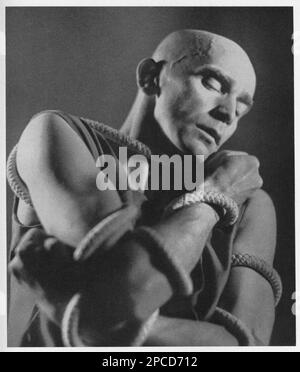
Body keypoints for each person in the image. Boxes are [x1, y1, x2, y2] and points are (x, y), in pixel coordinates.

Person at [7, 29, 281, 347]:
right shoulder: (58, 135)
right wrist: (214, 197)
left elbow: (251, 347)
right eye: (213, 84)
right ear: (151, 77)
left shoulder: (251, 204)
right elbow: (122, 297)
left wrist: (93, 322)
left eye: (242, 108)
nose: (227, 113)